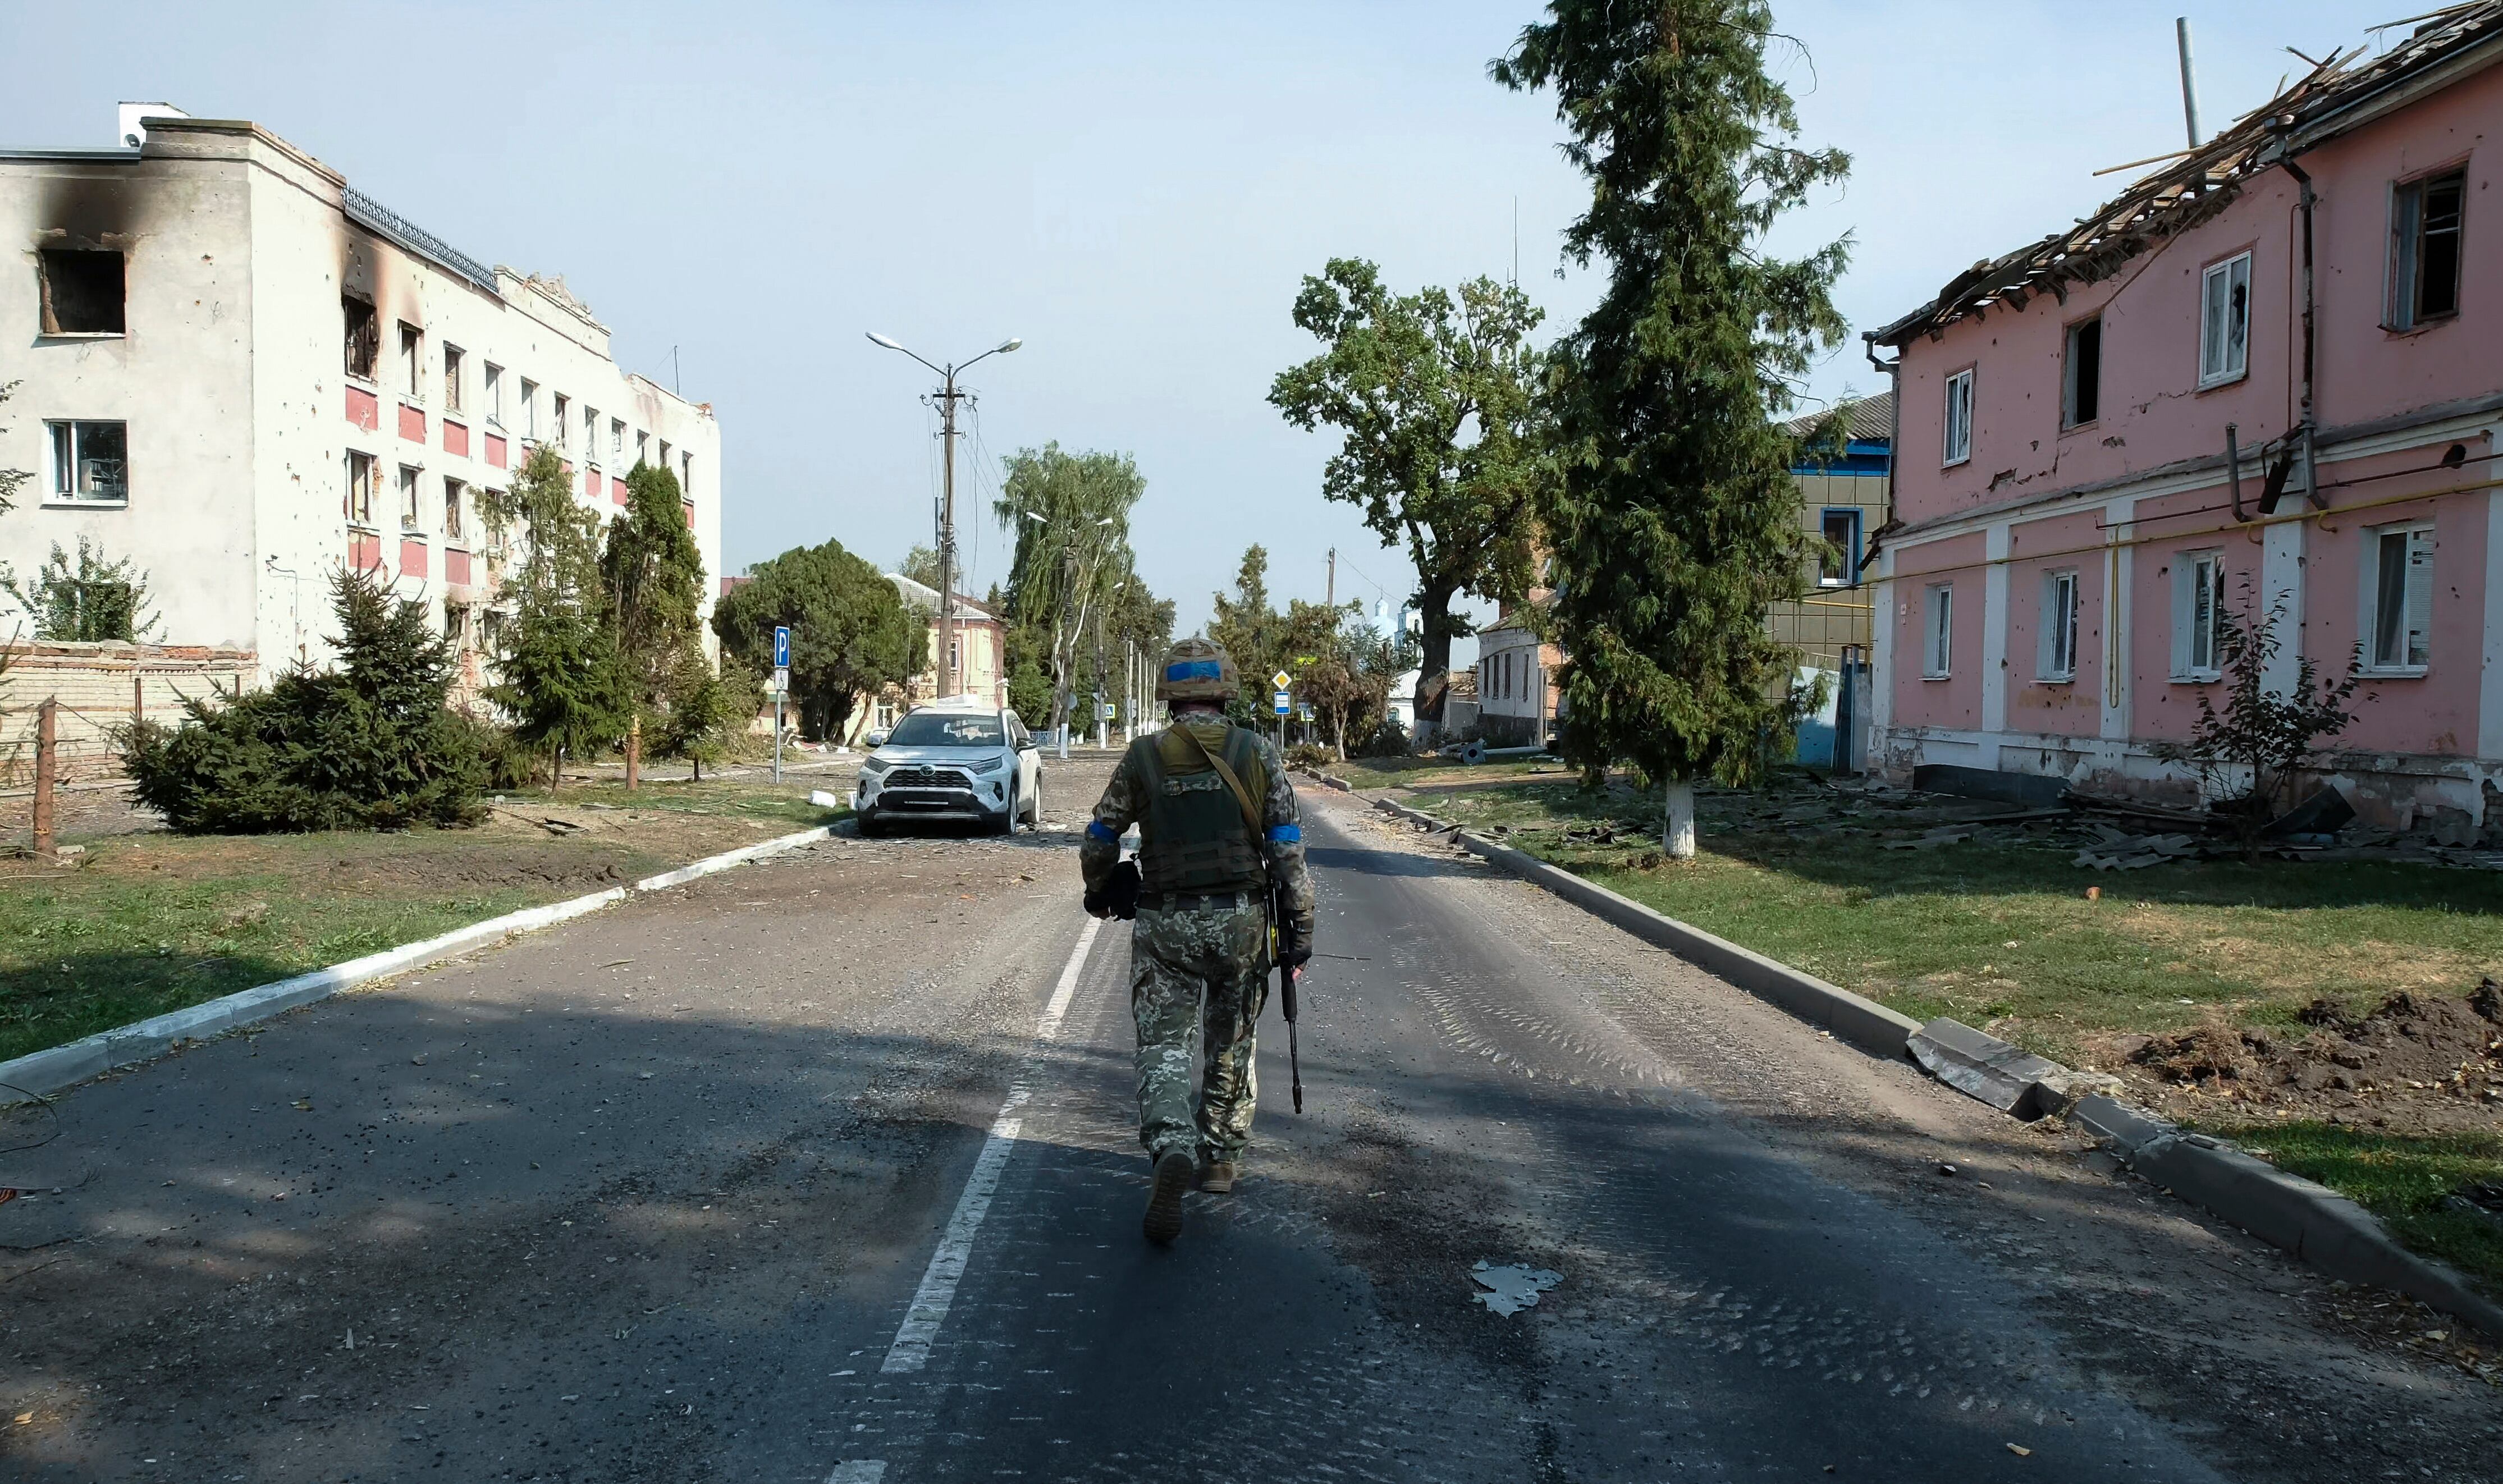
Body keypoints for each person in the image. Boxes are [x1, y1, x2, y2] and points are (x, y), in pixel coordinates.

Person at [1079, 636, 1315, 1244]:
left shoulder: (1142, 757)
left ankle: (1170, 1146)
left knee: (1162, 1045)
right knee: (1231, 1040)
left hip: (1165, 922)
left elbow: (1099, 836)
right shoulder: (1257, 752)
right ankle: (1218, 1160)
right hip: (1240, 922)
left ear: (1171, 697)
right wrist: (1300, 927)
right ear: (1223, 691)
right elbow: (1286, 850)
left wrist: (1102, 890)